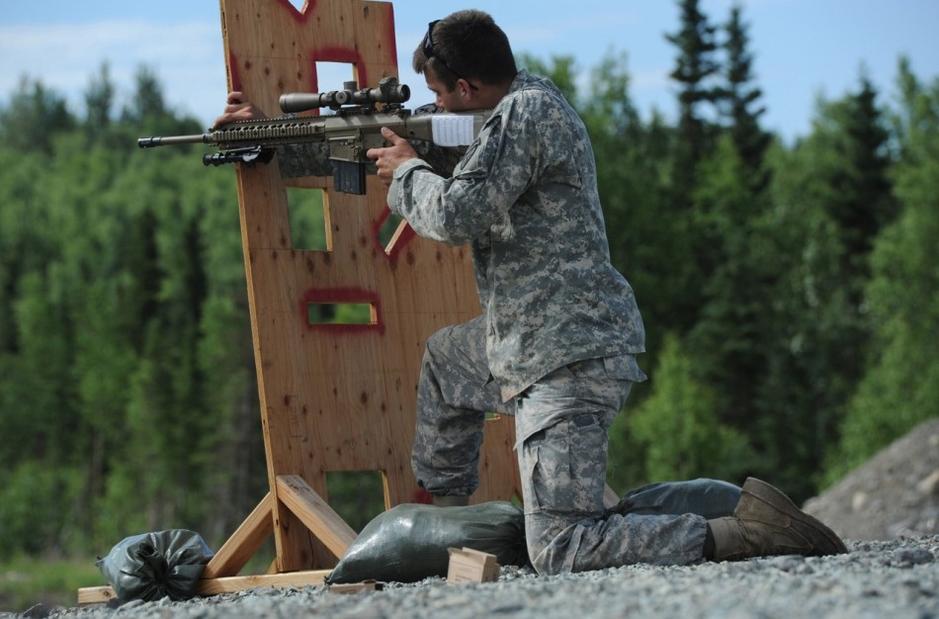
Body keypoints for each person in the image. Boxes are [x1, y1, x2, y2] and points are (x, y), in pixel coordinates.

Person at [217, 9, 847, 575]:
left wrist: (406, 171)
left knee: (563, 548)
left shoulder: (527, 114)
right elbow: (390, 150)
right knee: (444, 361)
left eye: (439, 97)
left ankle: (738, 533)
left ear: (466, 88)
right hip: (522, 343)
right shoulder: (513, 108)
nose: (435, 111)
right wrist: (265, 140)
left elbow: (457, 212)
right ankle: (450, 523)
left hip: (566, 355)